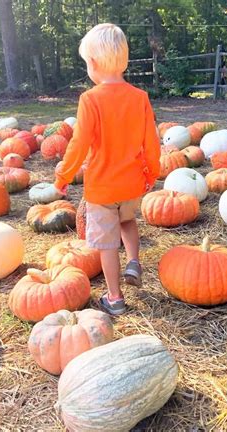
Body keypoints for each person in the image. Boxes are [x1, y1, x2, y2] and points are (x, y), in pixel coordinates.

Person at [51, 23, 161, 315]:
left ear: (94, 63)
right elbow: (152, 143)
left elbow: (79, 143)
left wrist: (63, 176)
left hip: (102, 188)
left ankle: (114, 298)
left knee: (107, 244)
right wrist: (151, 174)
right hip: (132, 184)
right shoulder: (140, 98)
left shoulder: (90, 100)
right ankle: (135, 262)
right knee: (127, 221)